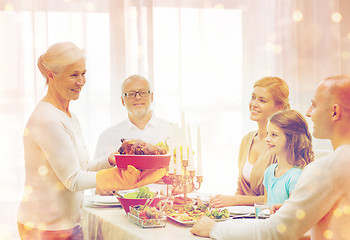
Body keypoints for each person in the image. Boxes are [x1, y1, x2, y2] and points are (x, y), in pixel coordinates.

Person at [17, 42, 165, 240]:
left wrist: (111, 160)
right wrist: (120, 177)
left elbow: (82, 167)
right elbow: (72, 180)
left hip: (70, 223)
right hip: (45, 228)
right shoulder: (47, 119)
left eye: (83, 74)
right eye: (74, 74)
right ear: (51, 74)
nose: (81, 81)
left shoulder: (68, 115)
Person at [191, 74, 350, 239]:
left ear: (334, 112)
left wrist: (214, 229)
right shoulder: (336, 164)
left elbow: (275, 231)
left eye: (314, 105)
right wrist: (290, 210)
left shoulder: (325, 169)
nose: (308, 113)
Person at [210, 76, 290, 208]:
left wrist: (234, 201)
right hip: (244, 216)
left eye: (262, 100)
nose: (254, 104)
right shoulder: (247, 140)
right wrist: (227, 208)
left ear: (279, 108)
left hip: (267, 219)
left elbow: (276, 198)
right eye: (253, 97)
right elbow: (240, 188)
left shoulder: (283, 145)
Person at [94, 74, 171, 160]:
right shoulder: (106, 137)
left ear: (151, 97)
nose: (138, 97)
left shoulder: (172, 132)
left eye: (143, 92)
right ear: (123, 101)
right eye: (131, 94)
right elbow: (97, 172)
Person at [263, 109, 313, 205]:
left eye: (274, 135)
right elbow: (266, 210)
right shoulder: (269, 171)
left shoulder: (297, 177)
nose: (267, 139)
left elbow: (293, 216)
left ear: (292, 139)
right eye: (267, 133)